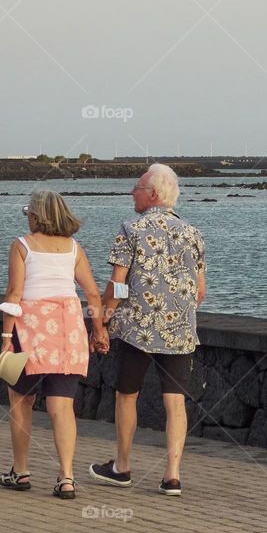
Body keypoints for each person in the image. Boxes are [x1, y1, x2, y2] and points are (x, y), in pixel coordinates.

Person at [89, 163, 206, 496]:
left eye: (137, 188)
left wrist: (104, 316)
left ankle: (122, 467)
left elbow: (119, 283)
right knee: (175, 402)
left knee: (127, 395)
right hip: (181, 330)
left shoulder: (131, 229)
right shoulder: (193, 232)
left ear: (152, 194)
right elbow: (200, 291)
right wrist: (176, 310)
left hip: (137, 329)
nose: (132, 193)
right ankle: (172, 476)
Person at [0, 189, 109, 499]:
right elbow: (93, 294)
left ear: (35, 215)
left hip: (29, 329)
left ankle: (20, 471)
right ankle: (67, 477)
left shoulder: (21, 246)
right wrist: (98, 330)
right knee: (62, 406)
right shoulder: (74, 248)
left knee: (21, 402)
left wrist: (7, 339)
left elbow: (13, 294)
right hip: (67, 330)